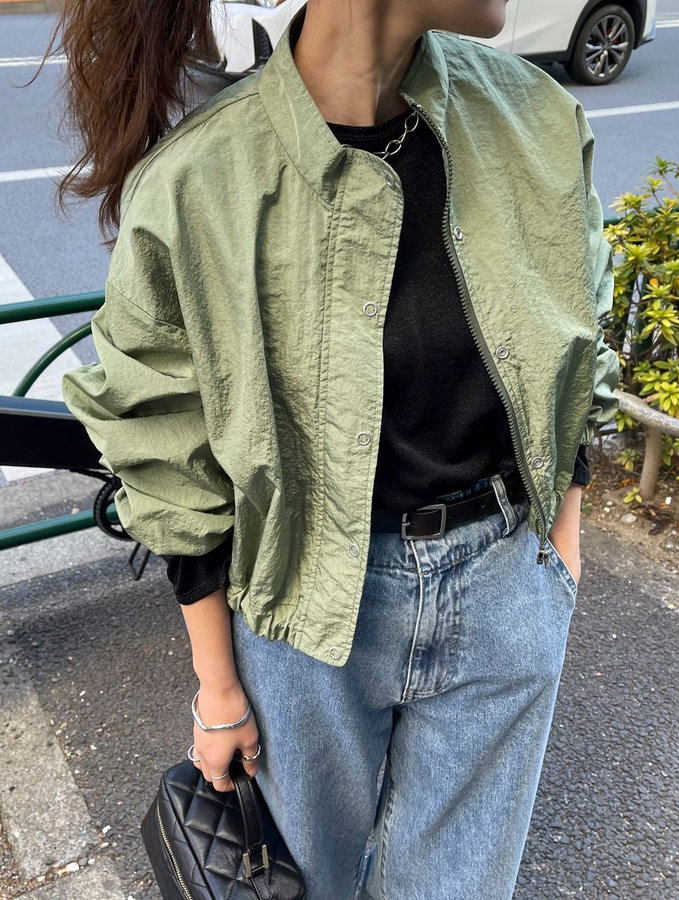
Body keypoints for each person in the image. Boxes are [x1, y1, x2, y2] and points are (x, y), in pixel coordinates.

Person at [55, 0, 620, 896]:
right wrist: (217, 687)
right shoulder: (203, 179)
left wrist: (560, 554)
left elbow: (581, 337)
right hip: (304, 603)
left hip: (506, 580)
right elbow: (166, 450)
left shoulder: (536, 119)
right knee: (303, 882)